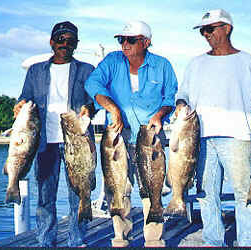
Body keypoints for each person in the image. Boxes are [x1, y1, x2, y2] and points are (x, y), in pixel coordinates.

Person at [176, 9, 251, 247]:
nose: (205, 34)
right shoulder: (195, 63)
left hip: (237, 135)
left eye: (210, 29)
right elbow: (183, 94)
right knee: (206, 194)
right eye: (203, 30)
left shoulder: (250, 61)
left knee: (246, 192)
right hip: (198, 138)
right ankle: (213, 240)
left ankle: (250, 241)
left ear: (227, 28)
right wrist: (181, 103)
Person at [85, 20, 178, 247]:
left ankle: (154, 240)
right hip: (117, 137)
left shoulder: (162, 65)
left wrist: (159, 115)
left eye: (130, 40)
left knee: (151, 188)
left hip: (151, 135)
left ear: (146, 42)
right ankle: (120, 239)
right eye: (121, 40)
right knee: (118, 188)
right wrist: (112, 109)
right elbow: (93, 84)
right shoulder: (112, 61)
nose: (124, 44)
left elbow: (170, 98)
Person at [13, 21, 95, 247]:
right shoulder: (35, 71)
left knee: (78, 195)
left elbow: (94, 101)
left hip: (76, 143)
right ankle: (44, 241)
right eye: (61, 40)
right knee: (45, 196)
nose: (65, 45)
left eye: (70, 41)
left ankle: (76, 241)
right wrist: (19, 105)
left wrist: (90, 108)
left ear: (76, 45)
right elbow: (25, 97)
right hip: (43, 142)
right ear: (52, 42)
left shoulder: (87, 70)